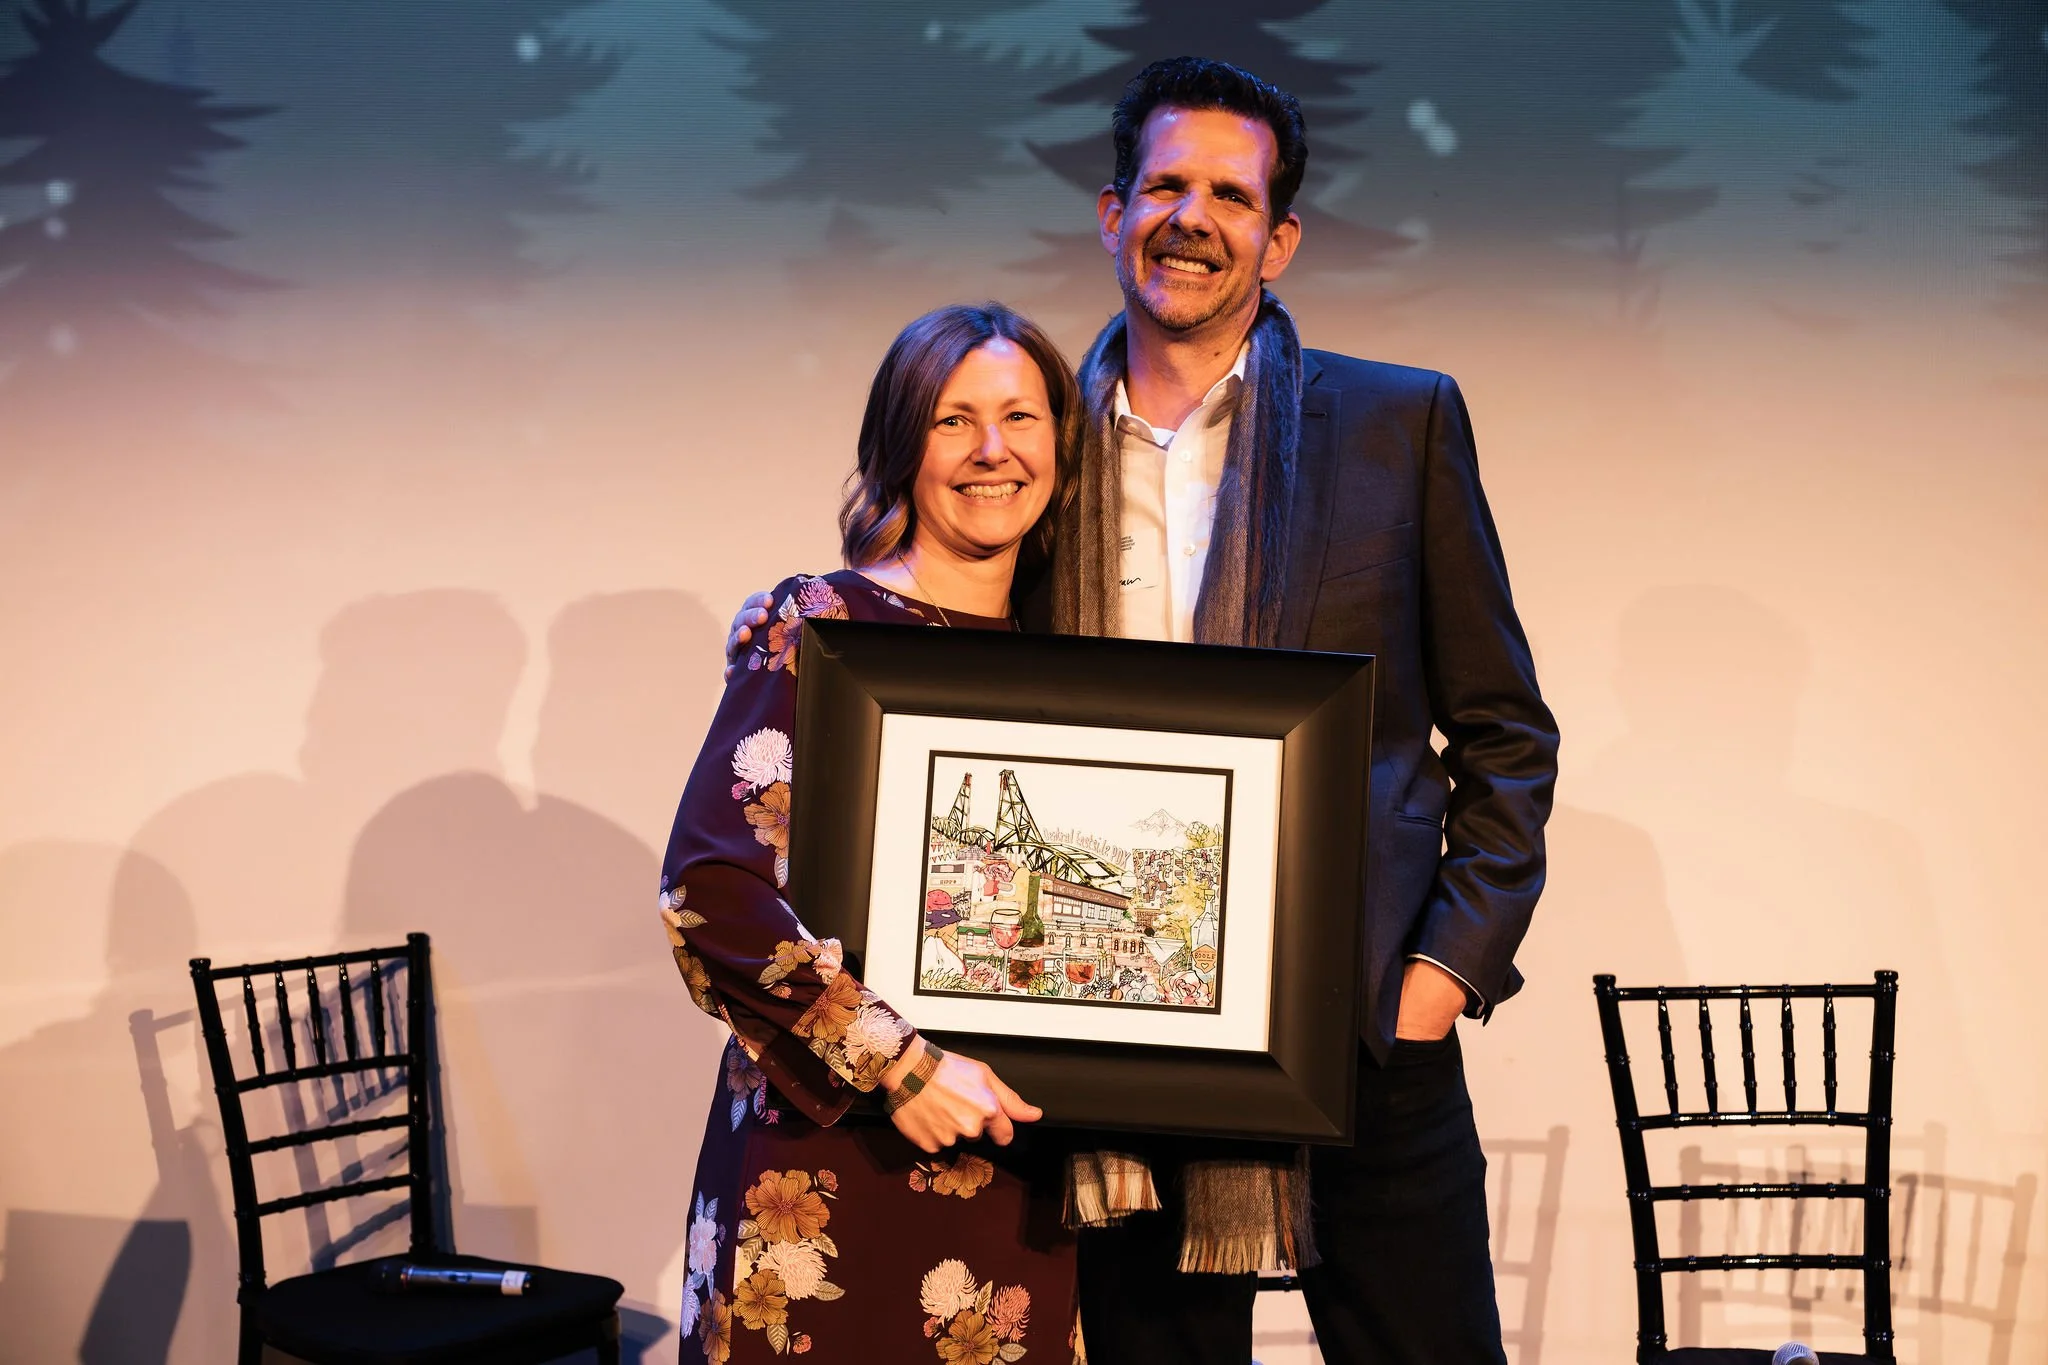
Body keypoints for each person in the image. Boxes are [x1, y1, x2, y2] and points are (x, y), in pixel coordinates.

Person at [729, 57, 1558, 1365]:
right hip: (1118, 1065)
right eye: (1166, 185)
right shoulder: (1035, 449)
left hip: (1360, 1030)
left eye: (1231, 194)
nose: (1193, 218)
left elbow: (1505, 732)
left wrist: (1437, 978)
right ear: (1113, 213)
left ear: (1278, 238)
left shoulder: (1395, 424)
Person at [662, 302, 1085, 1364]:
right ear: (902, 445)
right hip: (825, 1180)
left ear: (1060, 444)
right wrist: (898, 1065)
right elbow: (710, 891)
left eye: (1020, 417)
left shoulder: (1082, 666)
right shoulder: (821, 627)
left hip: (1015, 1174)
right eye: (953, 420)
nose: (992, 450)